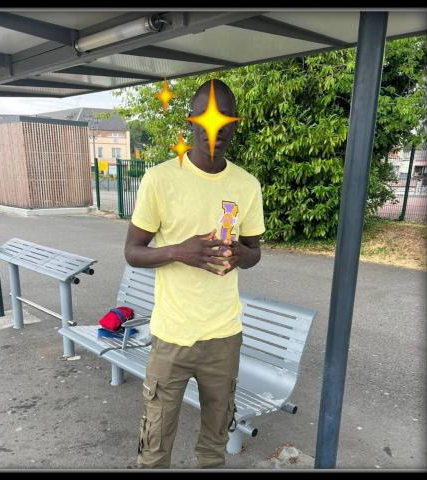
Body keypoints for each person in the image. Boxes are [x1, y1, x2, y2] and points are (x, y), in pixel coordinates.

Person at [124, 79, 265, 469]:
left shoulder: (247, 186)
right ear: (190, 122)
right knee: (154, 448)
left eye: (223, 120)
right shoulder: (160, 179)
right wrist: (178, 251)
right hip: (171, 337)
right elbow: (132, 252)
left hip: (224, 337)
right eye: (204, 119)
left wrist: (241, 255)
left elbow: (254, 253)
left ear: (234, 124)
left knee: (214, 447)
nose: (213, 129)